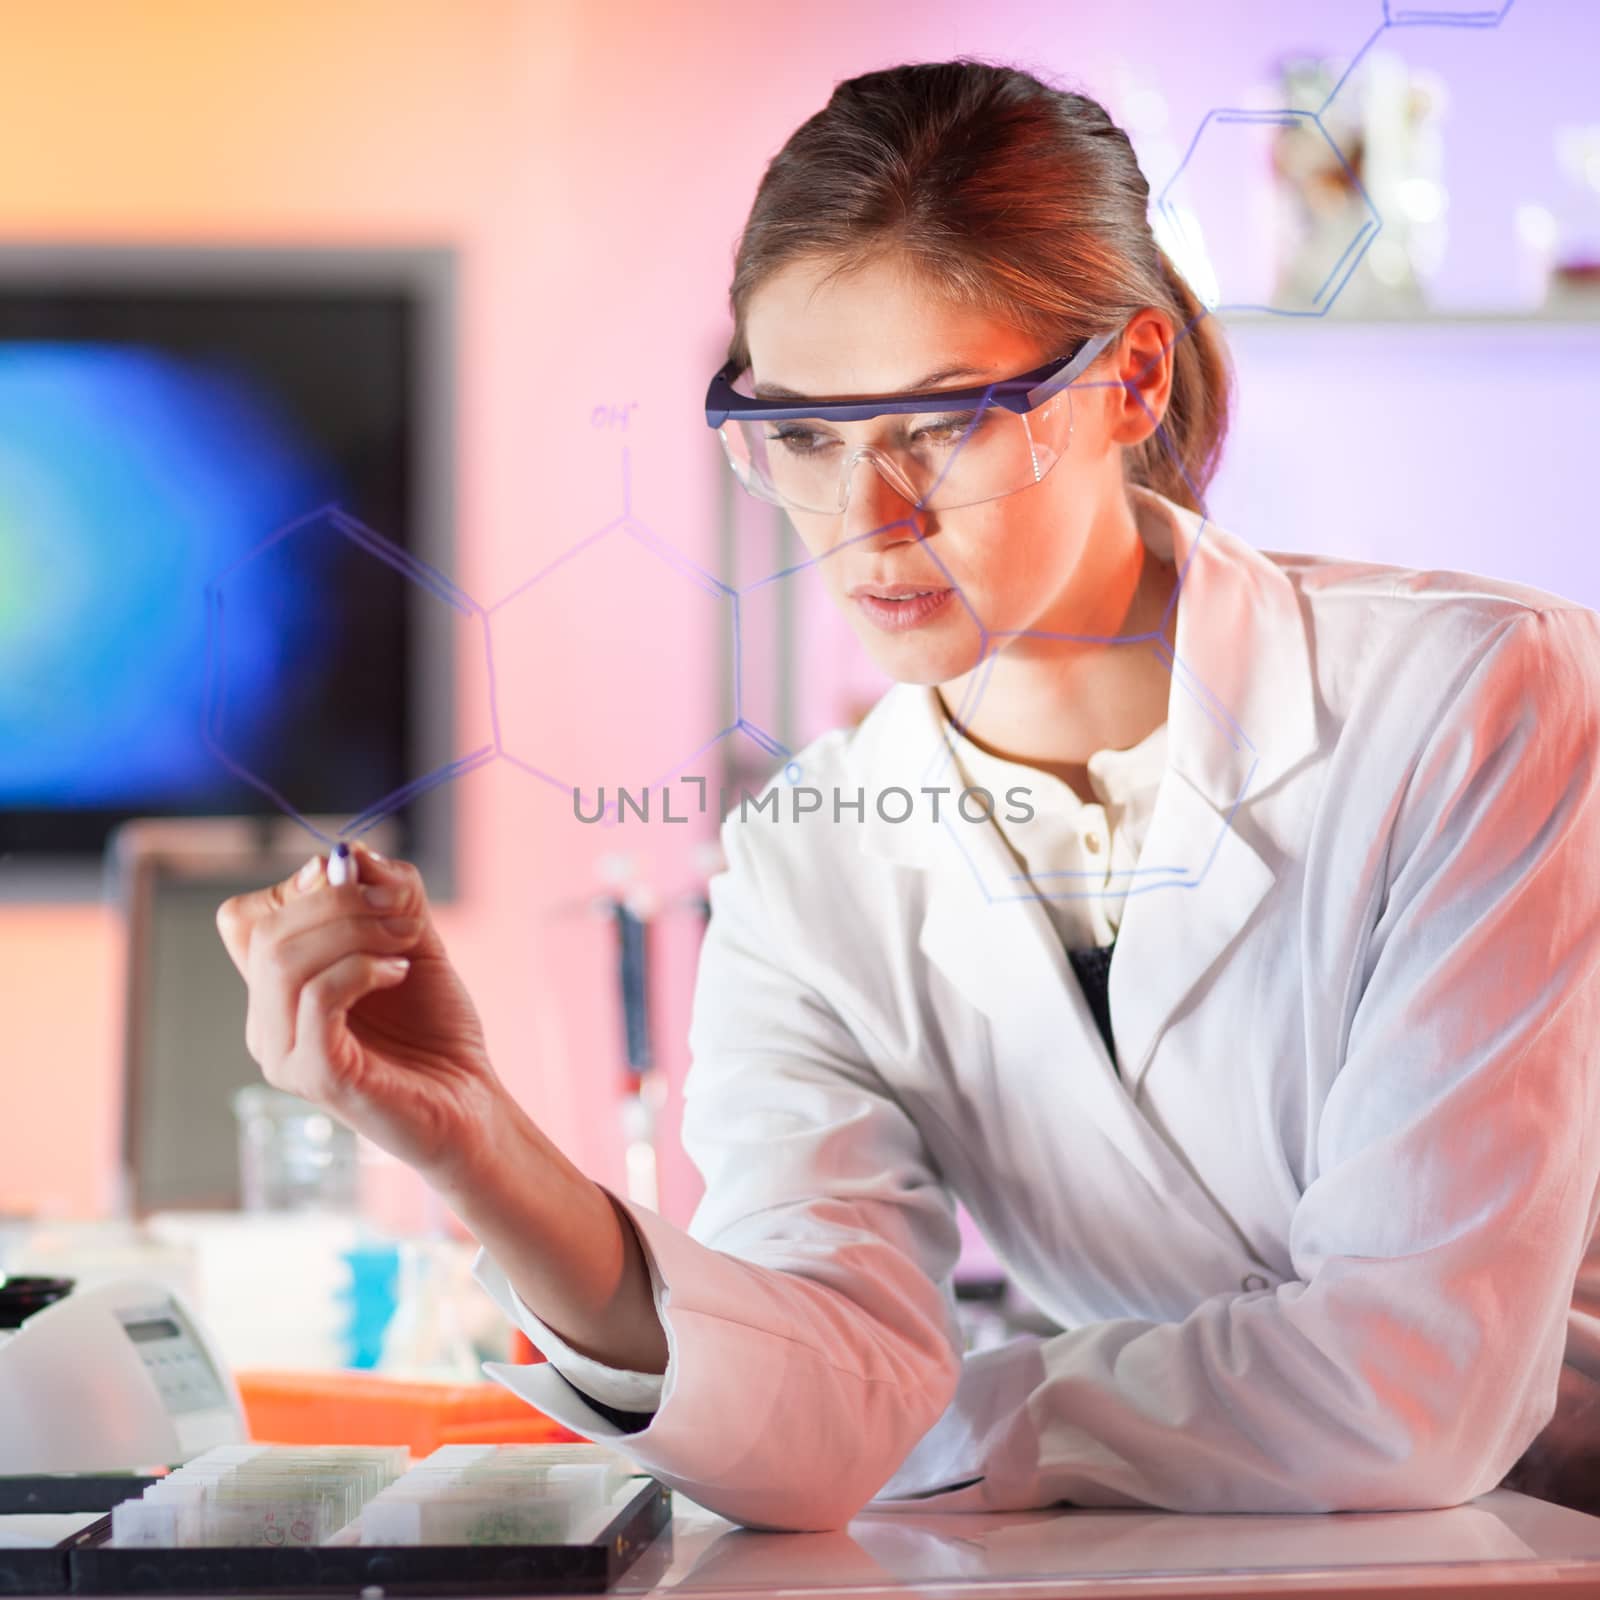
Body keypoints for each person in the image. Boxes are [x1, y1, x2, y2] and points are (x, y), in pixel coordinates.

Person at [215, 59, 1600, 1531]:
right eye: (804, 436)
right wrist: (476, 1142)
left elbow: (1413, 1390)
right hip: (1165, 1555)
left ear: (1129, 379)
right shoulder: (810, 860)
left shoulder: (1475, 701)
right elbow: (804, 1415)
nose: (864, 524)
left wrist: (935, 1413)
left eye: (940, 425)